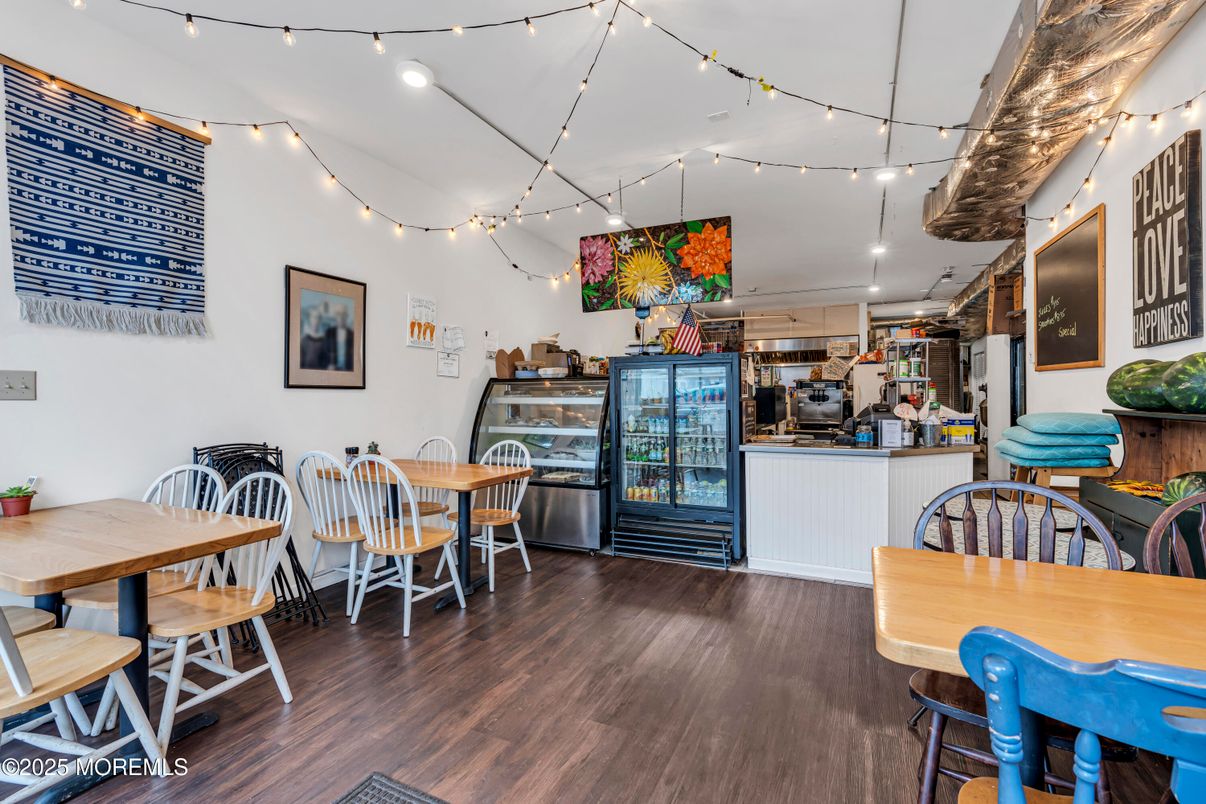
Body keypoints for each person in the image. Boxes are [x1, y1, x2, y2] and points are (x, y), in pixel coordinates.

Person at [325, 304, 355, 371]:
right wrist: (328, 365)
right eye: (338, 314)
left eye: (343, 314)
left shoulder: (352, 334)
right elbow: (324, 353)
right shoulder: (329, 333)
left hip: (348, 371)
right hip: (332, 371)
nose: (341, 317)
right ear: (335, 316)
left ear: (347, 316)